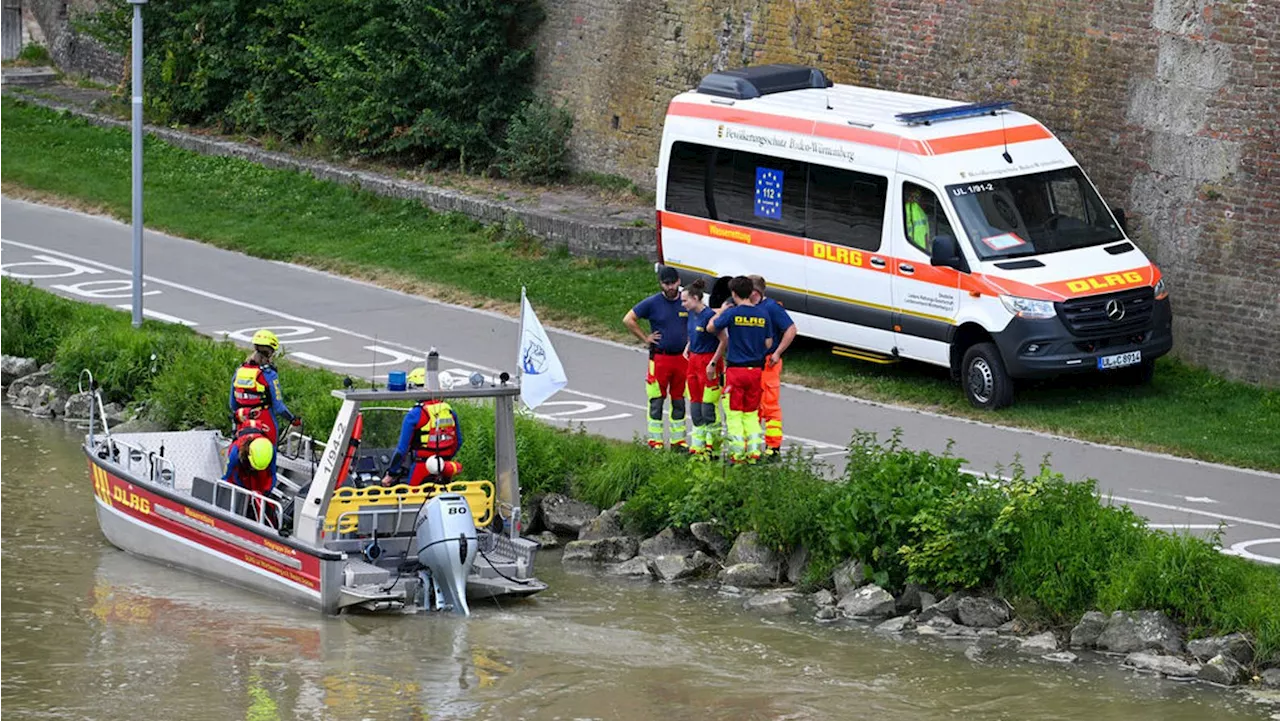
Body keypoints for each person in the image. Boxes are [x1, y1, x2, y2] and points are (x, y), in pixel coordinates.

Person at [623, 265, 690, 450]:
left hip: (682, 360)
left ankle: (678, 441)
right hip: (660, 358)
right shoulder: (653, 303)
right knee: (657, 400)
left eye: (672, 283)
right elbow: (628, 319)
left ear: (678, 282)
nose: (669, 287)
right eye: (666, 284)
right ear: (661, 284)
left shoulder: (686, 301)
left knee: (679, 400)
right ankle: (656, 441)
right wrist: (646, 338)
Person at [707, 276, 772, 464]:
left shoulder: (733, 313)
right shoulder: (762, 314)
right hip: (756, 371)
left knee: (734, 414)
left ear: (733, 294)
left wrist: (721, 312)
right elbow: (768, 342)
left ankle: (737, 455)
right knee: (751, 414)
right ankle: (754, 454)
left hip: (736, 370)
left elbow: (711, 327)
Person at [748, 275, 797, 459]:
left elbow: (791, 329)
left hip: (769, 362)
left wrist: (778, 353)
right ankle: (751, 446)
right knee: (752, 405)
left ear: (755, 292)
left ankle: (773, 447)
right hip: (751, 363)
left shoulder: (771, 308)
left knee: (769, 405)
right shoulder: (746, 306)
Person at [229, 329, 299, 444]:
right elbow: (279, 407)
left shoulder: (239, 371)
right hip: (265, 422)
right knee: (270, 455)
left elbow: (232, 404)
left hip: (243, 423)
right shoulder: (269, 374)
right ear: (270, 353)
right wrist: (293, 419)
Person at [380, 397, 464, 488]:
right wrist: (444, 458)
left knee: (412, 499)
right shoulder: (450, 413)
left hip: (421, 468)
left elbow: (402, 450)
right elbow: (458, 442)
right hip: (445, 467)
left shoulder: (415, 414)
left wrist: (391, 474)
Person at [681, 278, 723, 457]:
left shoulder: (709, 317)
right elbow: (693, 334)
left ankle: (713, 447)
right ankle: (697, 448)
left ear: (696, 298)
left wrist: (713, 362)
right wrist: (688, 347)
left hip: (708, 362)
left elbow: (724, 340)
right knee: (696, 407)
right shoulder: (691, 314)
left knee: (708, 408)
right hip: (693, 362)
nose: (683, 304)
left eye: (685, 300)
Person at [223, 419, 279, 526]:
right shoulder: (235, 452)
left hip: (259, 467)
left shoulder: (269, 449)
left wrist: (266, 491)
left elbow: (272, 474)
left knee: (261, 490)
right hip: (241, 469)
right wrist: (243, 492)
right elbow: (228, 477)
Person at [905, 185, 932, 253]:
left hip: (921, 251)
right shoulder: (909, 209)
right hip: (913, 249)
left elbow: (926, 234)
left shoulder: (921, 212)